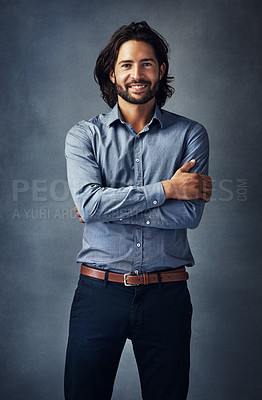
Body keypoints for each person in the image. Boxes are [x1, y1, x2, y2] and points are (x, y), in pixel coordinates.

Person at [64, 21, 212, 400]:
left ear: (161, 70)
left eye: (147, 64)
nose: (137, 73)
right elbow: (89, 203)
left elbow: (189, 216)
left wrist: (104, 207)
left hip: (168, 294)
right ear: (112, 73)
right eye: (127, 65)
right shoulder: (84, 136)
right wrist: (167, 189)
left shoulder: (190, 135)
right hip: (99, 291)